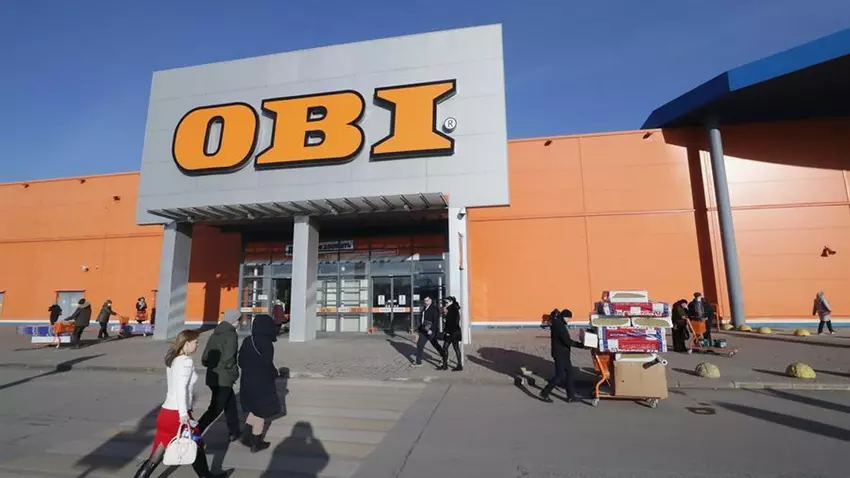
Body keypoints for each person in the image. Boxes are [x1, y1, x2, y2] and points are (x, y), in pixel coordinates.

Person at [133, 329, 227, 478]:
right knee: (196, 442)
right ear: (186, 343)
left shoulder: (173, 359)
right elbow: (181, 389)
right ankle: (206, 476)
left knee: (157, 453)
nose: (197, 345)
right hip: (177, 415)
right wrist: (183, 414)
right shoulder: (185, 362)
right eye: (195, 342)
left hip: (166, 413)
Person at [238, 314, 281, 453]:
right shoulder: (266, 343)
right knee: (261, 413)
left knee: (253, 409)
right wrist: (274, 373)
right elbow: (267, 363)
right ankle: (256, 443)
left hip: (247, 381)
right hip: (262, 382)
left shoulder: (247, 340)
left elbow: (240, 361)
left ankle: (246, 437)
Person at [197, 313, 242, 442]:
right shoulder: (231, 334)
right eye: (238, 320)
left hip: (212, 376)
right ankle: (196, 431)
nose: (239, 323)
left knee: (230, 404)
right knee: (215, 409)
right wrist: (234, 374)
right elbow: (229, 358)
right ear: (234, 321)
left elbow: (205, 358)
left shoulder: (215, 333)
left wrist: (213, 365)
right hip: (224, 378)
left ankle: (234, 431)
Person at [540, 309, 581, 403]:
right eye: (569, 318)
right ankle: (544, 393)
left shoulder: (558, 323)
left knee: (570, 373)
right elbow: (567, 341)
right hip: (560, 354)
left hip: (563, 354)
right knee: (559, 375)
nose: (569, 320)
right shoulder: (559, 326)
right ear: (565, 317)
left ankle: (571, 396)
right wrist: (581, 345)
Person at [413, 296, 446, 368]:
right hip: (423, 331)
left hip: (431, 331)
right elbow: (421, 320)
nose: (426, 302)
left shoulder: (434, 309)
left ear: (430, 301)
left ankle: (445, 357)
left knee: (435, 345)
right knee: (420, 345)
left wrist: (432, 330)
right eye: (425, 300)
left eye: (427, 300)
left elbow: (435, 321)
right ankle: (418, 362)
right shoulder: (424, 309)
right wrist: (418, 331)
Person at [438, 296, 463, 371]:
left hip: (453, 332)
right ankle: (445, 365)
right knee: (445, 348)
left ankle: (459, 365)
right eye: (444, 302)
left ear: (451, 302)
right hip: (451, 332)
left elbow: (454, 322)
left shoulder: (453, 309)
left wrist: (448, 332)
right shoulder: (450, 309)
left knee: (455, 348)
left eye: (446, 302)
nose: (445, 304)